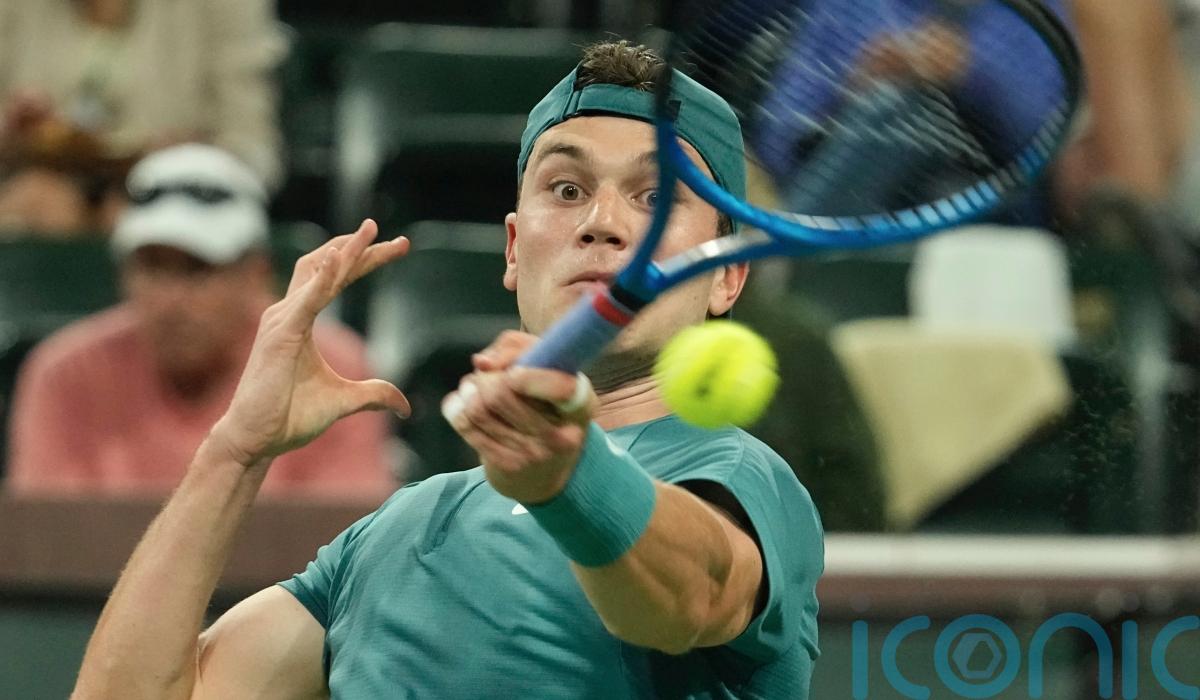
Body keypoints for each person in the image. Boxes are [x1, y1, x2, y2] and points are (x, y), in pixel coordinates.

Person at [71, 41, 824, 698]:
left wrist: (572, 476)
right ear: (513, 249)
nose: (602, 222)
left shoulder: (743, 480)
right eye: (566, 190)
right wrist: (234, 450)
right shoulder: (398, 531)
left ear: (727, 276)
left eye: (656, 197)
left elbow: (686, 598)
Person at [6, 143, 393, 501]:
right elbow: (46, 539)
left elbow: (349, 535)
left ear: (255, 274)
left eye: (198, 269)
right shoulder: (64, 375)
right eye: (152, 268)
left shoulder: (332, 367)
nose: (171, 300)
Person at [0, 0, 284, 235]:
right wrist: (13, 134)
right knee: (40, 203)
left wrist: (190, 162)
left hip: (177, 190)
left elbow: (252, 149)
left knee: (150, 219)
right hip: (38, 181)